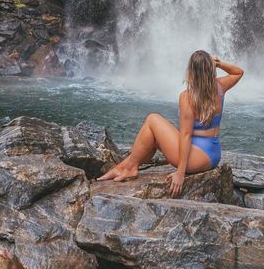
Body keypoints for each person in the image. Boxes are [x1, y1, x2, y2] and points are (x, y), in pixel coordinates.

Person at [97, 50, 244, 197]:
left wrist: (180, 173)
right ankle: (126, 166)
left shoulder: (187, 97)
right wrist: (219, 63)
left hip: (196, 158)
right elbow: (238, 72)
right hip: (213, 153)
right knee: (152, 136)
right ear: (211, 69)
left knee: (152, 119)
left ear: (191, 71)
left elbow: (186, 135)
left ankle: (129, 167)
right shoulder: (220, 86)